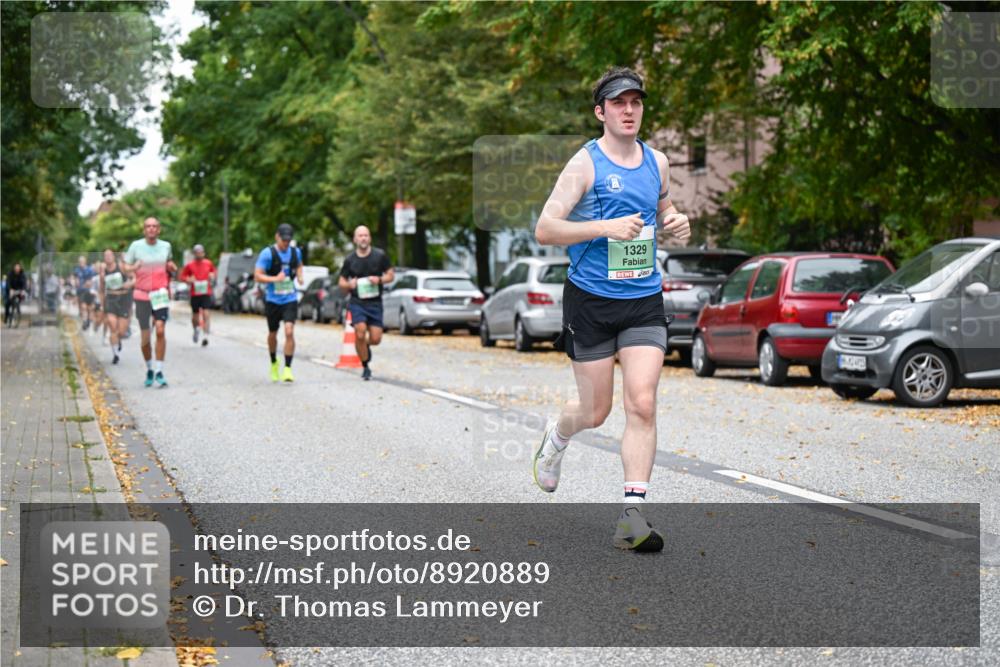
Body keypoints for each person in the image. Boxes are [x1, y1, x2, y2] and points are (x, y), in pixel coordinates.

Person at [532, 67, 691, 552]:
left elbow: (662, 208)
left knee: (642, 402)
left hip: (643, 299)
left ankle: (631, 517)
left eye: (636, 102)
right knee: (595, 410)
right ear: (600, 111)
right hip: (590, 301)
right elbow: (545, 229)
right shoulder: (584, 165)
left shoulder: (657, 161)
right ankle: (557, 437)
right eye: (619, 103)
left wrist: (674, 220)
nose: (629, 110)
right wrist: (604, 228)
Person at [123, 217, 176, 387]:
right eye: (148, 226)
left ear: (158, 230)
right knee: (145, 336)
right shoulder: (135, 246)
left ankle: (159, 370)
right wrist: (133, 267)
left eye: (154, 226)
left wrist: (171, 266)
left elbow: (168, 262)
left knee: (160, 330)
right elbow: (125, 266)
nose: (151, 229)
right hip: (142, 295)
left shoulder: (166, 246)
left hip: (160, 294)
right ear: (144, 230)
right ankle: (149, 368)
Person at [338, 225, 393, 381]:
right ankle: (365, 365)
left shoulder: (379, 255)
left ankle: (363, 345)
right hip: (357, 302)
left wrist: (379, 279)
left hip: (375, 302)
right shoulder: (350, 260)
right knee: (360, 332)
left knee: (376, 339)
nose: (363, 238)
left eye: (366, 235)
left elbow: (390, 275)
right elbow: (341, 281)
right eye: (360, 236)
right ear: (355, 239)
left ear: (370, 238)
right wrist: (349, 284)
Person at [254, 224, 304, 382]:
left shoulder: (295, 252)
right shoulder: (268, 253)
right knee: (273, 333)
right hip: (273, 300)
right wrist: (275, 279)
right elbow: (257, 275)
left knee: (289, 331)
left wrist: (300, 276)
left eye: (288, 241)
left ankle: (288, 368)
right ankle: (274, 362)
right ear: (277, 237)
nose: (286, 244)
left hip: (290, 298)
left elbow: (299, 265)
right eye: (283, 240)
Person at [99, 249, 135, 364]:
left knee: (121, 331)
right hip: (111, 299)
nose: (108, 257)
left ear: (113, 257)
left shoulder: (122, 267)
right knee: (112, 325)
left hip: (124, 299)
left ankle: (118, 340)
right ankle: (115, 354)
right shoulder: (103, 272)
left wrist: (130, 283)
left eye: (110, 255)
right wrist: (101, 304)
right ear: (104, 258)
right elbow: (101, 289)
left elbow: (135, 278)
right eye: (106, 255)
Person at [179, 244, 216, 347]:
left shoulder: (208, 263)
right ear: (194, 254)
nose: (199, 254)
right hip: (195, 293)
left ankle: (206, 336)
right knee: (195, 316)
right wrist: (188, 279)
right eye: (197, 253)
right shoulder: (190, 265)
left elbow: (213, 272)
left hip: (206, 292)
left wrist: (212, 275)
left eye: (201, 252)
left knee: (206, 313)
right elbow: (182, 276)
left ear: (203, 253)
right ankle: (196, 329)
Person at [72, 255, 97, 330]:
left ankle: (88, 320)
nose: (81, 263)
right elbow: (75, 279)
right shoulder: (77, 270)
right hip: (80, 291)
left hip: (88, 291)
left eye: (82, 261)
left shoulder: (89, 270)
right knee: (83, 307)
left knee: (89, 307)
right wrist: (76, 282)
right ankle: (84, 321)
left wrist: (88, 283)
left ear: (85, 261)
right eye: (80, 262)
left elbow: (91, 281)